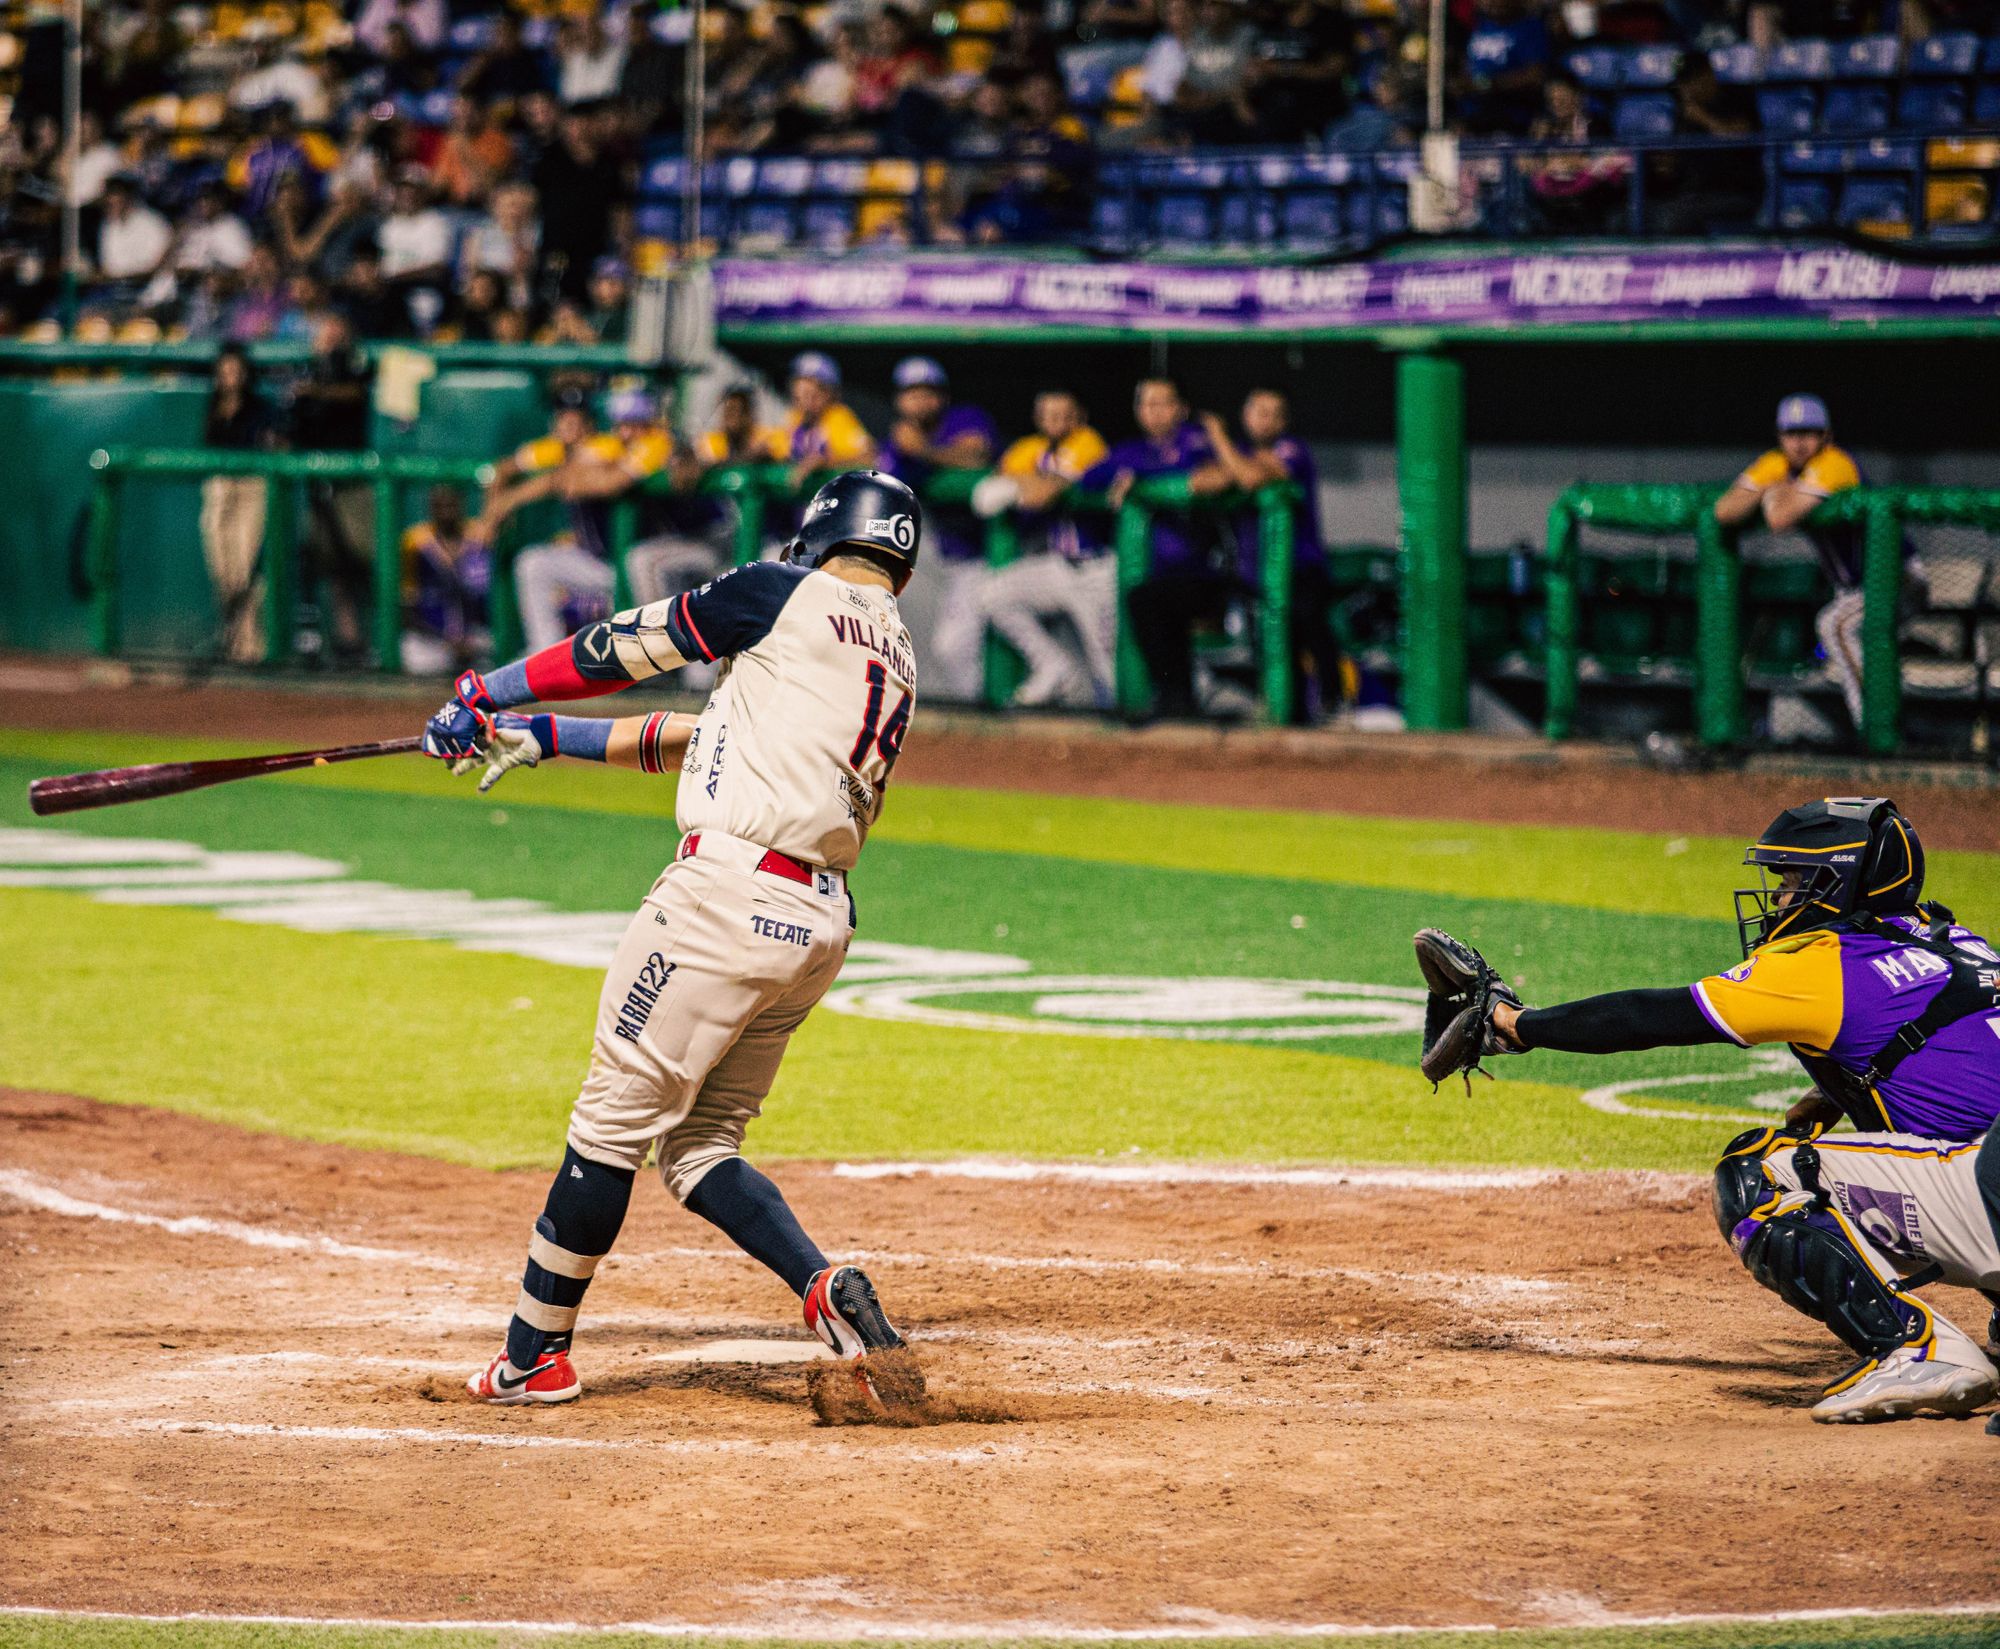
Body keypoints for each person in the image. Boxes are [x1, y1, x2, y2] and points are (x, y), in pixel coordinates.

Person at [422, 470, 927, 1410]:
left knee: (607, 1126)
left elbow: (620, 649)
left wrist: (484, 688)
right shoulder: (891, 645)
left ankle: (534, 1355)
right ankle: (826, 1294)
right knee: (698, 1147)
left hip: (723, 902)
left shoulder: (782, 594)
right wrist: (540, 735)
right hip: (817, 924)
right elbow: (710, 733)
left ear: (822, 532)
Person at [1414, 798, 2000, 1424]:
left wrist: (1514, 1024)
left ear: (1841, 883)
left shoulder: (1826, 960)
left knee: (1759, 1173)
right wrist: (1827, 1099)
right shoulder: (1956, 943)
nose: (1780, 899)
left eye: (1795, 882)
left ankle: (1917, 1349)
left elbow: (1650, 1016)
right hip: (1986, 1179)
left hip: (1988, 1196)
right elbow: (1944, 1055)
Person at [1713, 395, 1882, 735]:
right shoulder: (1778, 463)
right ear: (1780, 436)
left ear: (1826, 436)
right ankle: (1872, 724)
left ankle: (1876, 727)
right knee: (1839, 625)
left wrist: (1770, 491)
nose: (1800, 442)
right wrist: (1773, 486)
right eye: (1792, 433)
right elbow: (1724, 510)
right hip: (1852, 590)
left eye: (1809, 432)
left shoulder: (1836, 463)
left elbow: (1779, 517)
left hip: (1895, 581)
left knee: (1834, 625)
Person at [1080, 377, 1229, 721]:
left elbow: (1220, 476)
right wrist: (1129, 473)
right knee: (1147, 604)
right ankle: (1176, 702)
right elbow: (1090, 478)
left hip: (1208, 571)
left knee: (1151, 602)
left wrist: (1143, 479)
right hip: (1157, 575)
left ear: (1180, 408)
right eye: (1145, 403)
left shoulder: (1197, 442)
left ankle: (1182, 701)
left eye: (1162, 403)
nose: (1153, 411)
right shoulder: (1132, 450)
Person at [487, 385, 673, 651]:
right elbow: (503, 468)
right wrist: (492, 512)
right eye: (563, 416)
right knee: (533, 563)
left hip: (633, 564)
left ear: (590, 423)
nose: (568, 423)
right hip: (598, 564)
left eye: (576, 418)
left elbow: (565, 480)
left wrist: (508, 502)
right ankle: (545, 655)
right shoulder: (558, 448)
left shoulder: (606, 444)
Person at [1198, 389, 1340, 723]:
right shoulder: (1242, 451)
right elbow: (1206, 482)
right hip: (1255, 571)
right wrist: (1232, 462)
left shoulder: (1293, 449)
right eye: (1259, 411)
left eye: (1275, 413)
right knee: (1272, 646)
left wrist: (1218, 438)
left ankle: (1334, 706)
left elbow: (1248, 477)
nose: (1267, 419)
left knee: (1311, 637)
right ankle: (1291, 716)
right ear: (1245, 416)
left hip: (1301, 568)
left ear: (1285, 421)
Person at [974, 389, 1114, 708]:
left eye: (1065, 414)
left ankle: (1122, 746)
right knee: (994, 595)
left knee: (1108, 670)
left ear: (1080, 417)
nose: (1057, 421)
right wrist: (1021, 482)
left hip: (1095, 569)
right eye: (1049, 414)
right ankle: (1053, 666)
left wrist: (1018, 483)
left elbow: (1043, 493)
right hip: (1057, 566)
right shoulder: (1030, 447)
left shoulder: (1088, 442)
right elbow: (986, 490)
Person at [881, 357, 996, 702]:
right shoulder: (900, 441)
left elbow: (978, 455)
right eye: (911, 393)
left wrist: (925, 452)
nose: (920, 401)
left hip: (991, 551)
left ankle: (983, 718)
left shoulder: (965, 419)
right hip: (943, 558)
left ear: (942, 397)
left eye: (927, 392)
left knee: (954, 646)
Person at [286, 309, 375, 657]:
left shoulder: (356, 364)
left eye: (336, 333)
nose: (330, 340)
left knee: (362, 559)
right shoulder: (308, 368)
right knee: (322, 562)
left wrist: (317, 391)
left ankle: (371, 641)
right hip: (316, 480)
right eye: (325, 334)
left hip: (353, 480)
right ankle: (338, 639)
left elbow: (357, 393)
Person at [199, 343, 277, 664]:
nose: (231, 376)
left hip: (251, 484)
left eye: (237, 370)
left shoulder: (259, 407)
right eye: (226, 370)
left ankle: (249, 646)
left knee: (246, 567)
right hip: (219, 485)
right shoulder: (212, 405)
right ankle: (231, 638)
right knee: (222, 567)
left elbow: (275, 441)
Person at [399, 484, 491, 675]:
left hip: (474, 638)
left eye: (452, 506)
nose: (447, 513)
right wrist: (446, 640)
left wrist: (466, 642)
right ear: (431, 509)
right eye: (440, 507)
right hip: (433, 641)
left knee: (491, 657)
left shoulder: (477, 535)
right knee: (417, 659)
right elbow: (408, 608)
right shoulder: (415, 542)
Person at [770, 351, 875, 496]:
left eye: (819, 387)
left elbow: (869, 458)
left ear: (832, 393)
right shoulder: (793, 418)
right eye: (802, 383)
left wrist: (823, 461)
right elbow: (774, 451)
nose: (808, 393)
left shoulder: (838, 416)